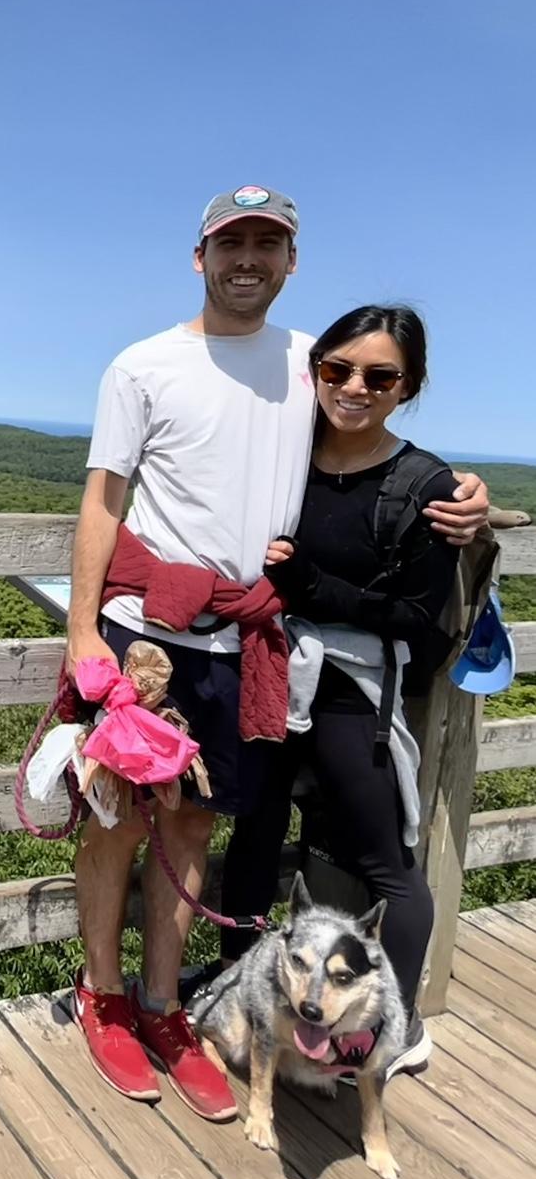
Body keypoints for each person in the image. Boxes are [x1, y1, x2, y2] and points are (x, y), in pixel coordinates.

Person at [64, 187, 488, 1122]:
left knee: (190, 826)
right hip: (149, 633)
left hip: (248, 639)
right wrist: (84, 629)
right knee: (116, 820)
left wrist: (461, 492)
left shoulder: (312, 362)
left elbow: (370, 429)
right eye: (231, 243)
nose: (247, 258)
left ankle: (167, 1008)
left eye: (268, 243)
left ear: (292, 261)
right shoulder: (143, 366)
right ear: (199, 255)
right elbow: (103, 500)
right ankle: (103, 997)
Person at [217, 305, 455, 1079]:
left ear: (406, 386)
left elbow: (419, 618)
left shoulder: (423, 484)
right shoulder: (287, 451)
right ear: (315, 371)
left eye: (379, 376)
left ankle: (394, 1024)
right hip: (272, 671)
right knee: (253, 836)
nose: (354, 387)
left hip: (352, 690)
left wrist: (314, 587)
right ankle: (242, 997)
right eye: (337, 370)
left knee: (387, 864)